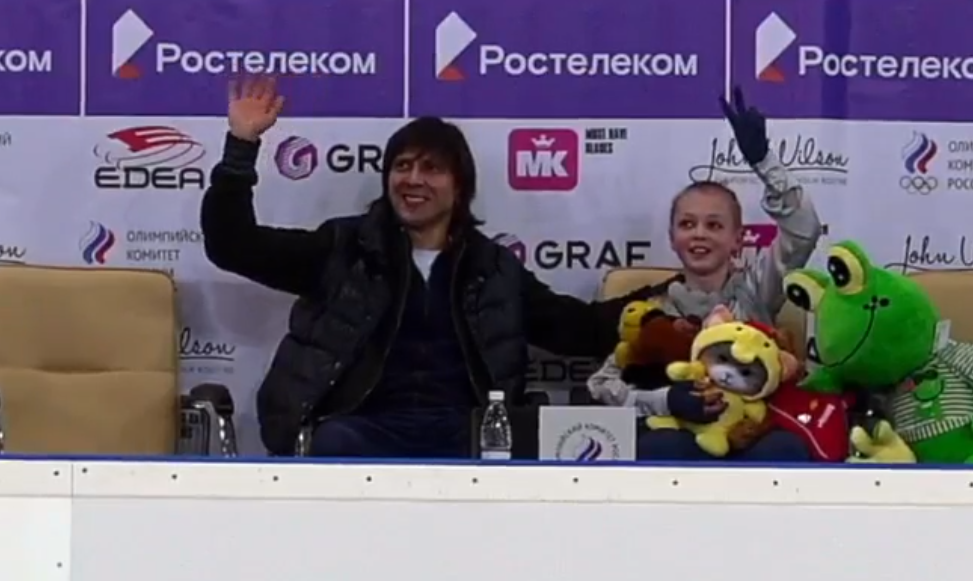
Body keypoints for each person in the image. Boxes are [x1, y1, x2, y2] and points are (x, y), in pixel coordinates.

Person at [200, 77, 654, 458]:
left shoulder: (493, 268)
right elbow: (233, 246)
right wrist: (241, 147)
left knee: (510, 448)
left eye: (432, 168)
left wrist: (675, 290)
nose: (413, 179)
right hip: (359, 426)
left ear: (460, 188)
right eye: (402, 166)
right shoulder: (342, 248)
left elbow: (581, 329)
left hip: (467, 431)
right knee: (335, 441)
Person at [586, 87, 823, 462]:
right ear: (672, 237)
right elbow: (601, 386)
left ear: (737, 239)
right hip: (680, 438)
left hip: (750, 434)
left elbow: (804, 230)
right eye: (687, 224)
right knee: (661, 446)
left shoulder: (757, 288)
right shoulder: (651, 311)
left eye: (714, 225)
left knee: (785, 449)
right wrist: (665, 400)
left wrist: (764, 162)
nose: (699, 234)